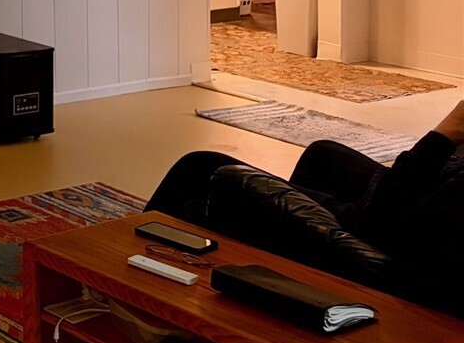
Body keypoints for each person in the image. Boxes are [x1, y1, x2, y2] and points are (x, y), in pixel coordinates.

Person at [147, 100, 464, 317]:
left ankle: (129, 279)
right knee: (323, 155)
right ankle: (283, 281)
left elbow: (378, 222)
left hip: (376, 233)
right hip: (413, 203)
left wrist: (444, 135)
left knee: (201, 168)